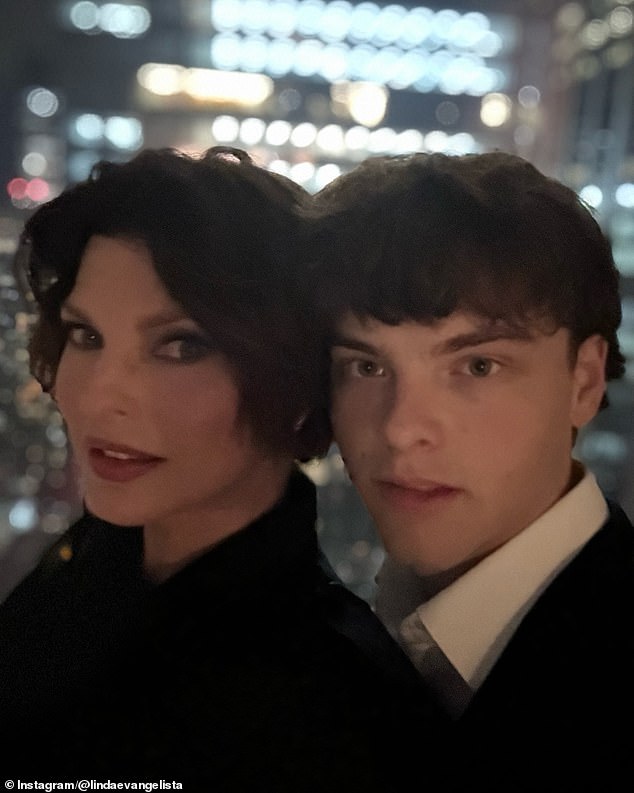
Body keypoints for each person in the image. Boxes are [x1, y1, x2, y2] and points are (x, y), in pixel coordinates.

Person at [0, 146, 446, 789]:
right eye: (85, 336)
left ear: (294, 383)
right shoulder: (94, 562)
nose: (100, 396)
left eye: (181, 347)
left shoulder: (331, 707)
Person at [307, 150, 633, 792]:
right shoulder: (345, 639)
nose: (401, 428)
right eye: (366, 367)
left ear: (584, 380)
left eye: (477, 366)